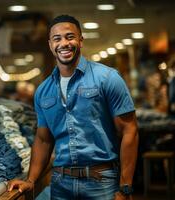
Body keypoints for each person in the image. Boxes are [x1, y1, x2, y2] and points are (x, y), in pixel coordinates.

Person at [8, 15, 139, 200]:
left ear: (80, 40)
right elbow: (43, 139)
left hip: (101, 182)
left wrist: (125, 187)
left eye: (70, 37)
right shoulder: (43, 91)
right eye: (57, 38)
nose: (64, 43)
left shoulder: (107, 78)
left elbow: (129, 130)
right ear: (50, 44)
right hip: (61, 183)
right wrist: (31, 180)